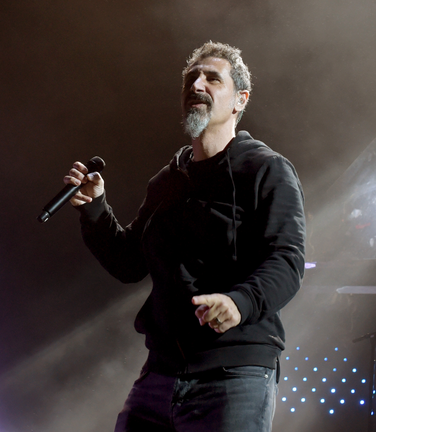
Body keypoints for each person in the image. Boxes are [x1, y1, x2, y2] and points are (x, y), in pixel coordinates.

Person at [63, 41, 306, 432]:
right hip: (160, 374)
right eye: (191, 78)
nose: (197, 84)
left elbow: (287, 259)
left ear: (239, 100)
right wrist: (96, 208)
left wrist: (239, 302)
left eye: (212, 78)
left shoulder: (266, 170)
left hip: (233, 375)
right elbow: (128, 262)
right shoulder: (167, 182)